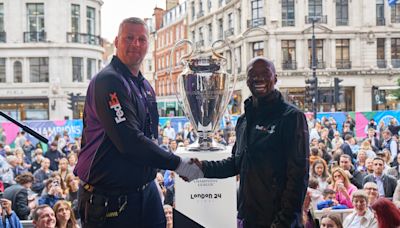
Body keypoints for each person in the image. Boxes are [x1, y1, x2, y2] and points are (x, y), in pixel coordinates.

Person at [74, 17, 202, 228]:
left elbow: (150, 138)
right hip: (109, 200)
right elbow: (129, 140)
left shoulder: (144, 85)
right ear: (116, 41)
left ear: (147, 45)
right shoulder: (109, 80)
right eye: (129, 38)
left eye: (141, 39)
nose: (135, 44)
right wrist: (179, 165)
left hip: (146, 191)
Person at [191, 57, 309, 227]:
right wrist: (202, 168)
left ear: (275, 78)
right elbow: (236, 163)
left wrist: (283, 222)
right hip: (249, 218)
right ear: (246, 80)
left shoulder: (291, 117)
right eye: (253, 74)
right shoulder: (243, 120)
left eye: (265, 74)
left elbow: (298, 176)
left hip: (278, 221)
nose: (258, 78)